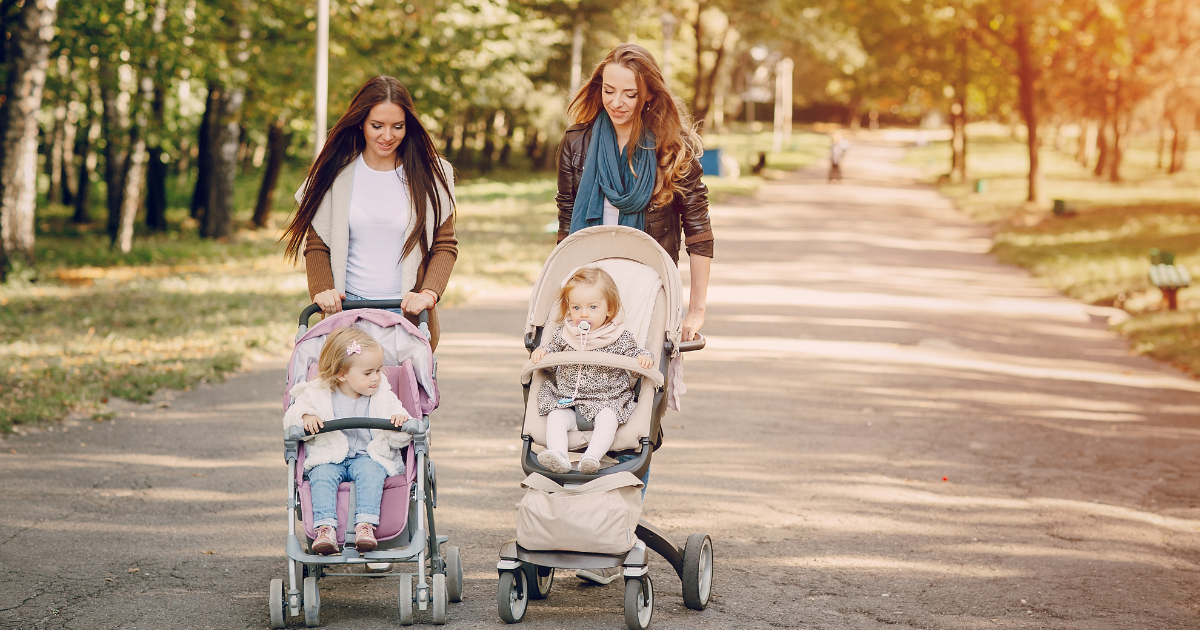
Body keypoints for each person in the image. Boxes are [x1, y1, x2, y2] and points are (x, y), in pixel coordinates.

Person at [554, 42, 714, 585]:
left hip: (650, 296)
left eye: (629, 93)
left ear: (648, 96)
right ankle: (574, 522)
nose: (616, 102)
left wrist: (695, 311)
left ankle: (615, 527)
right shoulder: (577, 144)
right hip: (586, 297)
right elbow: (564, 230)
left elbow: (699, 234)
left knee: (636, 413)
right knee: (573, 402)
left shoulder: (673, 150)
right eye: (608, 90)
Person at [281, 76, 457, 350]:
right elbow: (317, 244)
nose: (387, 136)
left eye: (397, 127)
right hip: (347, 317)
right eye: (377, 126)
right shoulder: (335, 173)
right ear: (361, 122)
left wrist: (429, 293)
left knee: (405, 393)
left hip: (407, 316)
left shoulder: (433, 174)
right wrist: (322, 290)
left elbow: (445, 245)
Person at [283, 328, 412, 555]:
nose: (376, 377)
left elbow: (401, 426)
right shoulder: (317, 392)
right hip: (330, 456)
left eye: (379, 370)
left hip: (367, 455)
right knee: (321, 476)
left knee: (372, 473)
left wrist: (400, 421)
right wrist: (305, 417)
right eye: (368, 373)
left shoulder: (383, 394)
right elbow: (294, 414)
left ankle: (365, 525)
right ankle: (325, 528)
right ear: (342, 374)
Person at [531, 267, 654, 475]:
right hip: (568, 400)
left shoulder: (618, 337)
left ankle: (592, 457)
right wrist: (543, 352)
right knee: (555, 417)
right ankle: (559, 455)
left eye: (593, 307)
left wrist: (643, 358)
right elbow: (552, 353)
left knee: (608, 419)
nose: (584, 314)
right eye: (576, 307)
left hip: (607, 400)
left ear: (609, 309)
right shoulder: (565, 334)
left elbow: (635, 354)